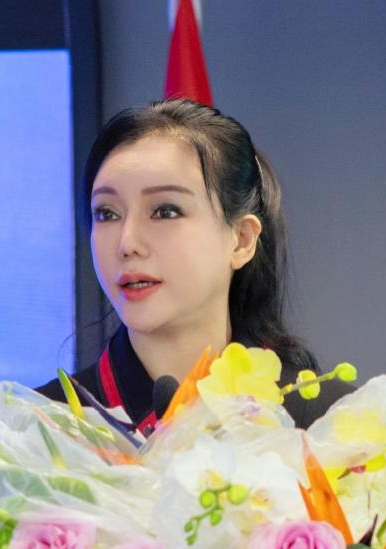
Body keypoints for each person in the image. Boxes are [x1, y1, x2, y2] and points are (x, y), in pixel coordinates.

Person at [35, 99, 352, 434]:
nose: (127, 243)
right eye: (107, 213)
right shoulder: (41, 429)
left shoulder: (328, 425)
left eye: (165, 211)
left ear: (241, 240)